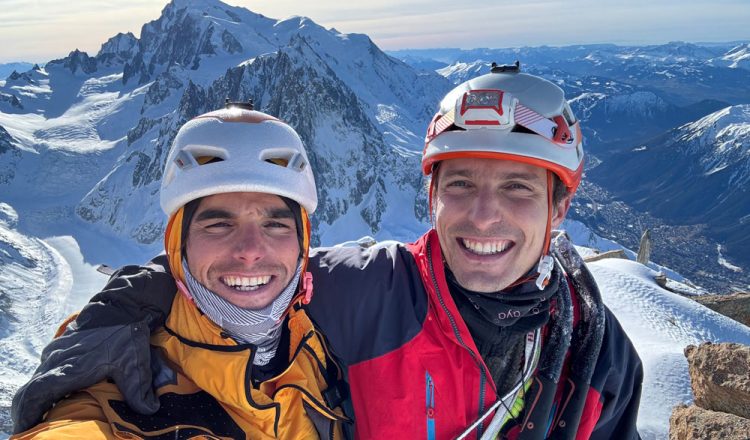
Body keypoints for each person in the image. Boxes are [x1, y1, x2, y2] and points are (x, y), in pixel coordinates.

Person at [12, 65, 642, 439]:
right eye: (460, 184)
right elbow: (231, 281)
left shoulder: (598, 352)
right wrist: (102, 330)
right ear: (431, 196)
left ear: (560, 208)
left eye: (518, 188)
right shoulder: (364, 291)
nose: (484, 214)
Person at [10, 102, 349, 439]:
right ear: (179, 246)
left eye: (275, 224)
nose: (250, 251)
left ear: (302, 244)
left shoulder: (319, 342)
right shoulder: (113, 387)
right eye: (218, 224)